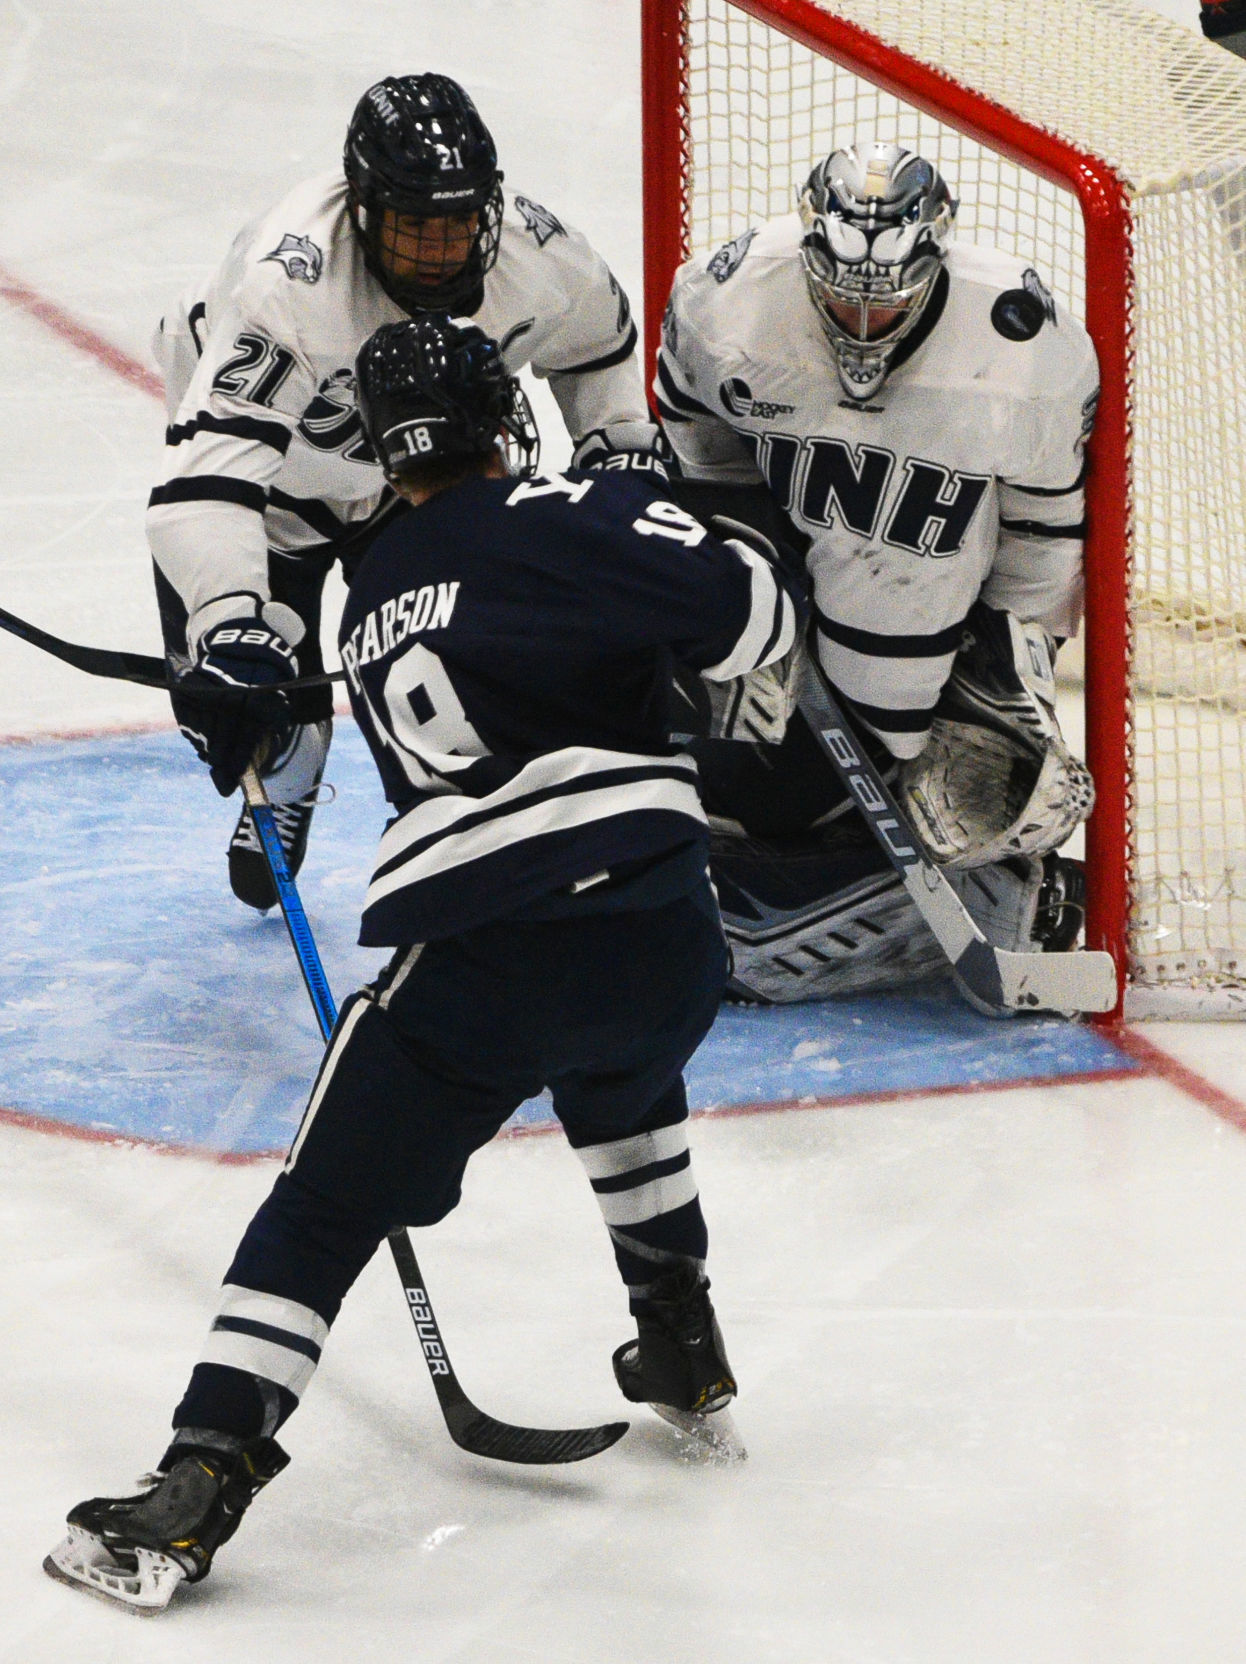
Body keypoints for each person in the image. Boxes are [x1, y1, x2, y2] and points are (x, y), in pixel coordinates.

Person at [44, 315, 805, 1612]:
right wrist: (729, 725)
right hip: (667, 931)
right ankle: (681, 1336)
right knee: (619, 1069)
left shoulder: (371, 595)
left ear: (387, 458)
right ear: (504, 419)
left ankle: (201, 1475)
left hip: (488, 958)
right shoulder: (576, 511)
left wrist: (240, 699)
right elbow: (745, 608)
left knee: (326, 1202)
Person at [157, 71, 665, 912]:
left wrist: (616, 447)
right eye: (415, 226)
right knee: (235, 705)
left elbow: (599, 347)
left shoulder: (541, 257)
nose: (442, 249)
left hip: (409, 483)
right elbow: (205, 481)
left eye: (461, 222)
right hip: (271, 493)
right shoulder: (291, 283)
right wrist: (231, 625)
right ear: (363, 209)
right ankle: (293, 761)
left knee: (461, 669)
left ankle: (476, 827)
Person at [654, 141, 1099, 1005]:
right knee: (724, 789)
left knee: (976, 787)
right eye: (840, 299)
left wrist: (1012, 666)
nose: (861, 325)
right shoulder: (728, 304)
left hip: (926, 618)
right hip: (789, 594)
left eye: (886, 300)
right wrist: (748, 564)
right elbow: (693, 449)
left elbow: (1045, 532)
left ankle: (916, 842)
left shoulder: (1025, 348)